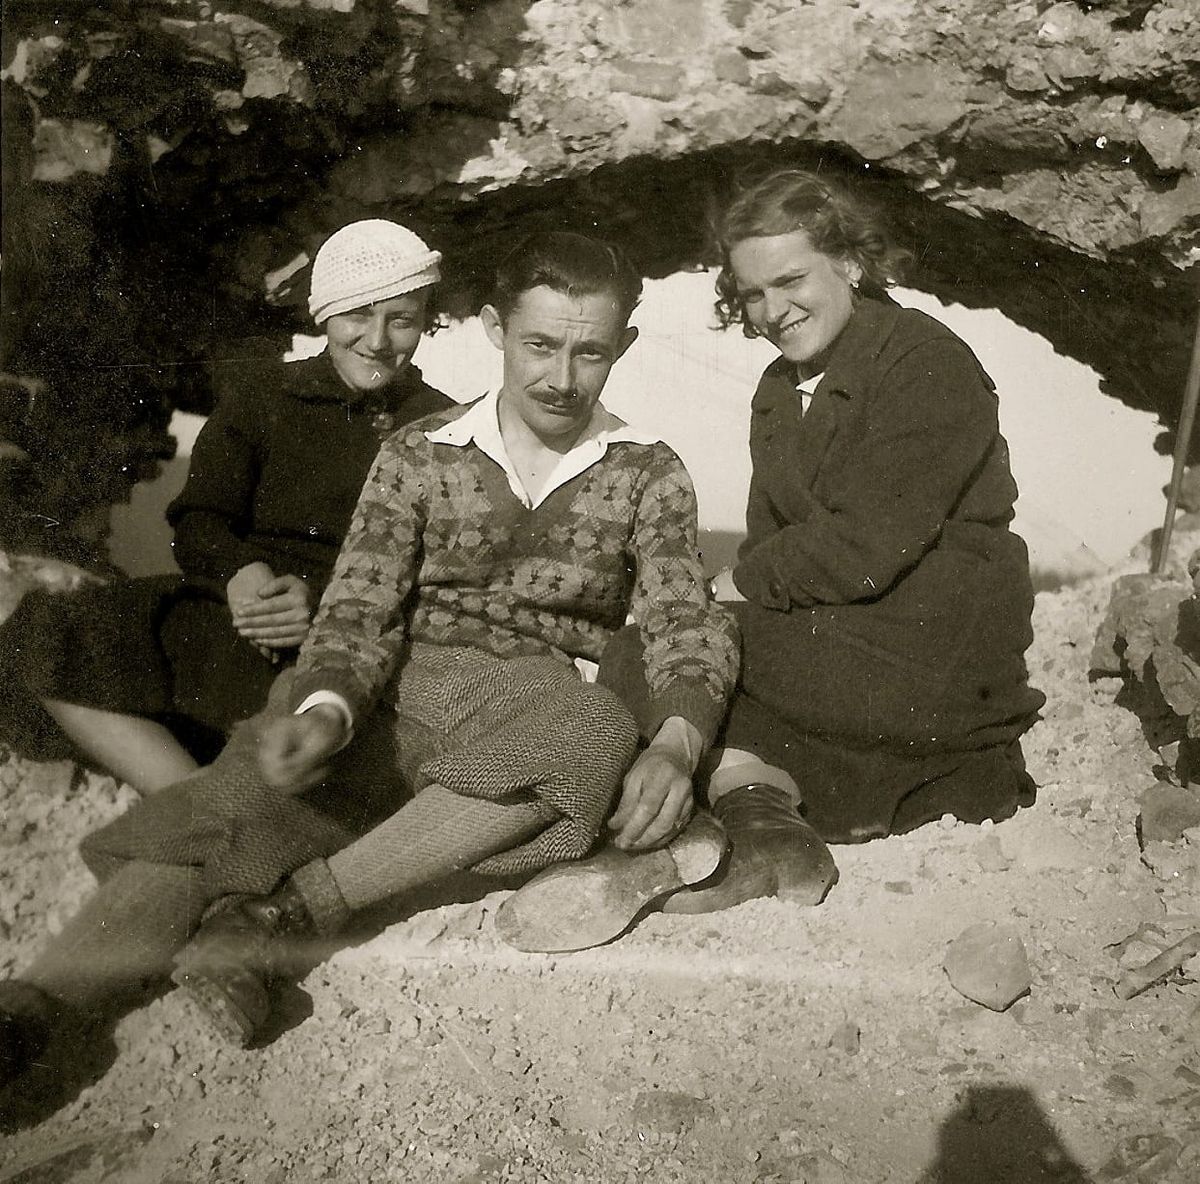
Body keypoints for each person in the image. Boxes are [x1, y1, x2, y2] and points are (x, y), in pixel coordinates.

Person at [0, 231, 739, 1079]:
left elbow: (684, 616)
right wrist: (324, 710)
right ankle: (35, 1006)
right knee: (236, 808)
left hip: (526, 697)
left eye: (590, 352)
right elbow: (360, 602)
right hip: (396, 682)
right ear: (496, 328)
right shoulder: (419, 452)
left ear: (625, 347)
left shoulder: (647, 472)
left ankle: (284, 917)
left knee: (593, 729)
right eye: (539, 345)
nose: (559, 379)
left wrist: (679, 744)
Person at [646, 167, 1046, 914]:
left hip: (936, 644)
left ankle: (739, 813)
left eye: (790, 279)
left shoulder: (923, 360)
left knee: (664, 655)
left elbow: (865, 545)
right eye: (753, 293)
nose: (772, 309)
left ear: (852, 263)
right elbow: (777, 537)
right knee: (688, 650)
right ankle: (763, 825)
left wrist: (721, 591)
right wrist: (724, 602)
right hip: (850, 632)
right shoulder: (779, 389)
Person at [0, 219, 453, 793]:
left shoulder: (445, 429)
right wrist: (241, 576)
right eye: (357, 315)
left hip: (351, 644)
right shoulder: (262, 398)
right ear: (324, 315)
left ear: (425, 323)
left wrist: (319, 604)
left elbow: (439, 573)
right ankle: (189, 815)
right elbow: (199, 521)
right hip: (235, 612)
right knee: (46, 640)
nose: (378, 340)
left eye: (402, 320)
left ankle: (208, 829)